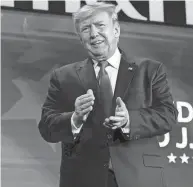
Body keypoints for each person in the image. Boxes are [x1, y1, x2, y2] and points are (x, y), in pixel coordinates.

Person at [38, 1, 178, 187]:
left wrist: (130, 120)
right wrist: (75, 118)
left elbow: (167, 114)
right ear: (80, 37)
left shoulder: (149, 70)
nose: (94, 33)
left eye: (100, 25)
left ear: (116, 30)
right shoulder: (63, 76)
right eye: (86, 28)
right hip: (82, 179)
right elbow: (47, 127)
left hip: (138, 177)